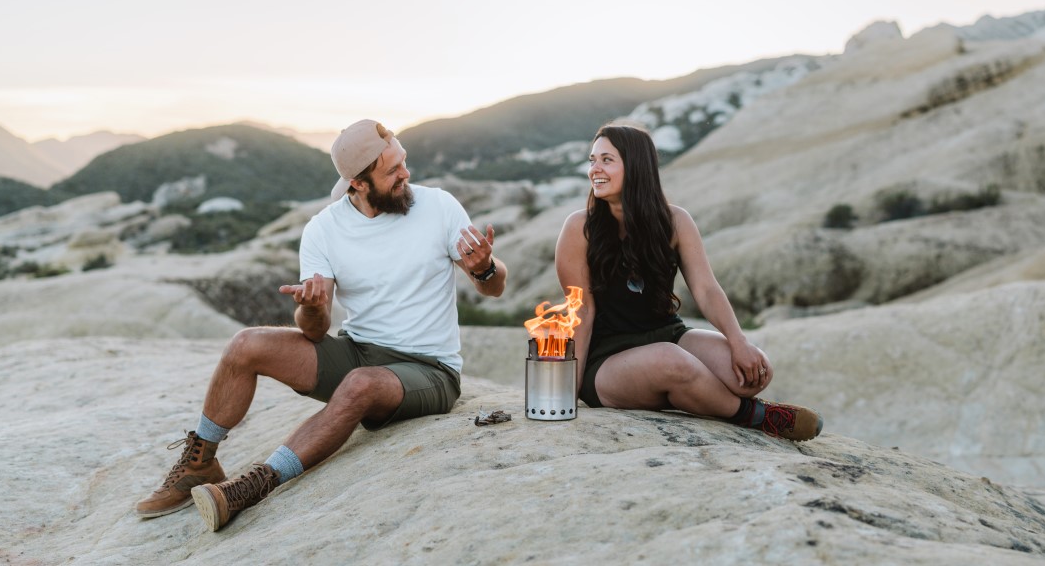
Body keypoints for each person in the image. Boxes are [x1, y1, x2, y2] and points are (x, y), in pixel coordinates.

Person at [133, 119, 507, 531]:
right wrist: (310, 308)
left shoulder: (439, 207)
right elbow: (315, 330)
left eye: (403, 162)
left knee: (361, 384)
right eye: (393, 170)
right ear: (358, 184)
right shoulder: (324, 230)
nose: (406, 174)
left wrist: (485, 269)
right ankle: (201, 462)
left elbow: (493, 289)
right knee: (245, 344)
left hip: (430, 370)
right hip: (360, 351)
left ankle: (253, 486)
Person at [555, 124, 822, 441]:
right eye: (592, 160)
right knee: (671, 362)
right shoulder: (579, 227)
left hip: (668, 333)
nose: (594, 169)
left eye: (607, 160)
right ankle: (757, 416)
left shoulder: (675, 220)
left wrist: (739, 342)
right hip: (606, 359)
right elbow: (581, 311)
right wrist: (564, 392)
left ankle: (688, 392)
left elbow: (706, 289)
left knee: (753, 373)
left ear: (636, 166)